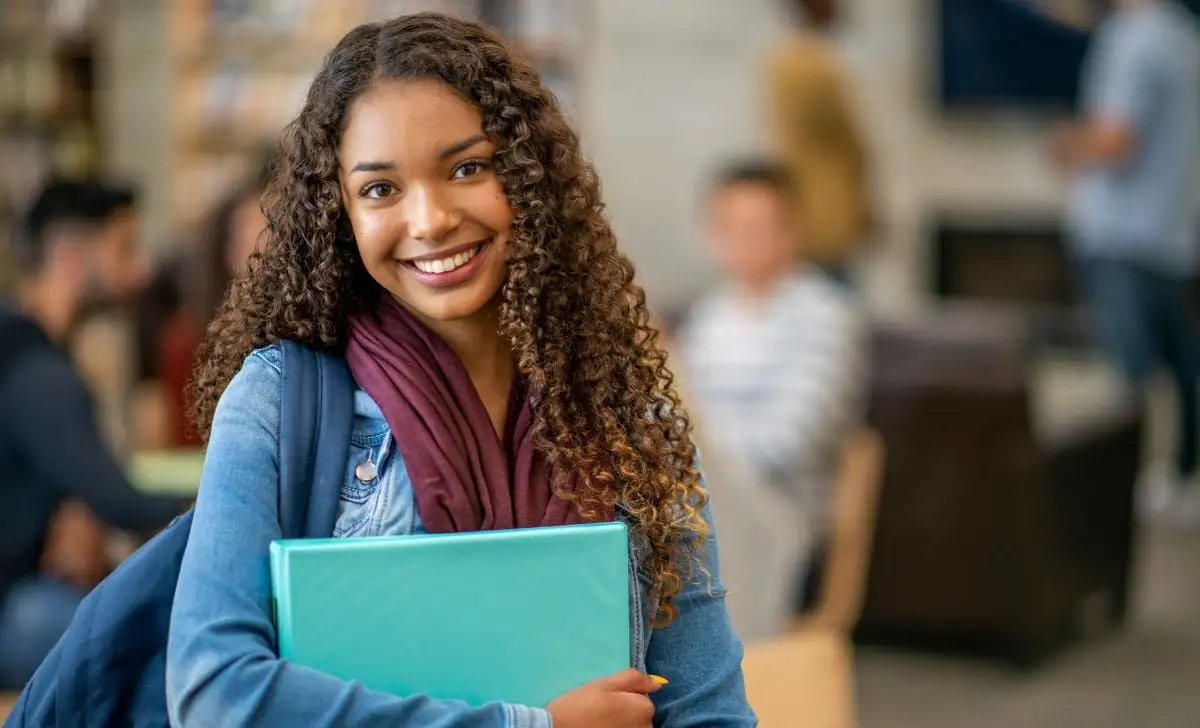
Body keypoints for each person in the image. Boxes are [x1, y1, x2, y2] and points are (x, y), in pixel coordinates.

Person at [167, 13, 754, 728]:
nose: (431, 219)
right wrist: (529, 725)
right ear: (340, 214)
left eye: (467, 168)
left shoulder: (628, 420)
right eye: (380, 189)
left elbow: (706, 712)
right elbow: (215, 692)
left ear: (529, 177)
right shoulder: (278, 402)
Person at [0, 180, 192, 689]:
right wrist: (225, 498)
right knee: (163, 636)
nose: (142, 270)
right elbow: (120, 503)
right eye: (124, 248)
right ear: (68, 256)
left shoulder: (18, 347)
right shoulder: (40, 374)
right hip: (12, 609)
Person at [676, 159, 866, 636]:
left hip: (779, 509)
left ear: (793, 230)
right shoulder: (710, 316)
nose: (745, 241)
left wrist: (702, 454)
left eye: (759, 227)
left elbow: (790, 441)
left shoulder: (824, 316)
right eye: (731, 228)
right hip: (703, 493)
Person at [1050, 0, 1200, 520]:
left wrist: (1065, 145)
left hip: (1120, 234)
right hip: (1173, 234)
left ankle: (1123, 487)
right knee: (1181, 366)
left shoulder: (1131, 39)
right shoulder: (1186, 38)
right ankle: (1182, 474)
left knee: (1130, 377)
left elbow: (1116, 140)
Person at [156, 167, 270, 447]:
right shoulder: (187, 343)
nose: (265, 254)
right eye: (250, 240)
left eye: (274, 235)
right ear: (228, 252)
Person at [764, 0, 874, 284]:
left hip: (813, 206)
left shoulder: (791, 60)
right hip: (823, 209)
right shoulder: (812, 67)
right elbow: (846, 143)